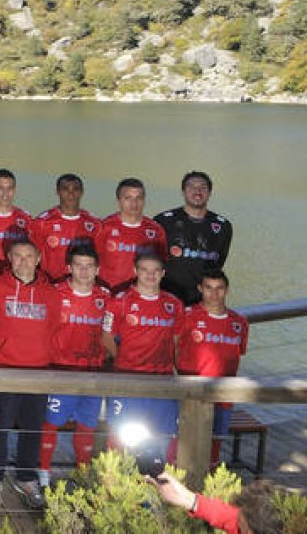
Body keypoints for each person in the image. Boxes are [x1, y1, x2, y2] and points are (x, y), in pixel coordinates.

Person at [0, 240, 59, 508]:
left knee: (32, 429)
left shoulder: (51, 293)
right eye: (18, 256)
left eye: (29, 256)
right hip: (4, 371)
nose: (23, 261)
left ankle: (26, 478)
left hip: (38, 373)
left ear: (38, 259)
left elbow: (55, 328)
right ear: (9, 258)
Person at [39, 244, 111, 486]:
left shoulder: (106, 297)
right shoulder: (55, 293)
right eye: (78, 265)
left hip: (93, 373)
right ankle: (43, 472)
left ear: (97, 269)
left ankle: (83, 474)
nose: (83, 271)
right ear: (69, 267)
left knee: (87, 426)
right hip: (60, 370)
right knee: (50, 423)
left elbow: (112, 335)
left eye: (89, 266)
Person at [102, 253, 183, 460]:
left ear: (163, 273)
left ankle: (157, 480)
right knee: (122, 434)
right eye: (145, 270)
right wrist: (124, 362)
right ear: (135, 271)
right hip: (128, 379)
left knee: (161, 436)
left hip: (162, 380)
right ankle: (118, 482)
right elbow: (106, 338)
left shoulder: (173, 304)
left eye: (155, 271)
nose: (150, 275)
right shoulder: (119, 301)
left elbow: (176, 341)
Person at [176, 269, 248, 465]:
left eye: (219, 289)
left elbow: (237, 354)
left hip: (223, 397)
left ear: (227, 290)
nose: (214, 294)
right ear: (200, 289)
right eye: (208, 288)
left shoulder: (239, 322)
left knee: (215, 447)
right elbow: (172, 347)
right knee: (183, 446)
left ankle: (211, 488)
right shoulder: (187, 316)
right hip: (192, 395)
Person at [155, 171, 233, 305]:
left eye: (203, 187)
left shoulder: (223, 226)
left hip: (202, 301)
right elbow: (151, 263)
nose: (197, 191)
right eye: (191, 187)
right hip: (167, 297)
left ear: (209, 193)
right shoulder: (163, 222)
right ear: (183, 191)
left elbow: (218, 263)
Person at [95, 178, 168, 294]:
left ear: (144, 201)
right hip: (109, 295)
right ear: (118, 201)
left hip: (141, 298)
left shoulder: (156, 230)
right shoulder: (103, 227)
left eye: (138, 198)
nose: (134, 203)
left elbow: (161, 265)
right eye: (128, 198)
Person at [152, 471, 283, 534]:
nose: (237, 520)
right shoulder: (251, 519)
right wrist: (184, 498)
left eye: (241, 521)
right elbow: (222, 514)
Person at [29, 173, 99, 283]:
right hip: (51, 285)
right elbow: (32, 257)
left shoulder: (94, 224)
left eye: (75, 189)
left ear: (81, 192)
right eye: (65, 189)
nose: (71, 194)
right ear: (57, 192)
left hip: (81, 287)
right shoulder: (43, 222)